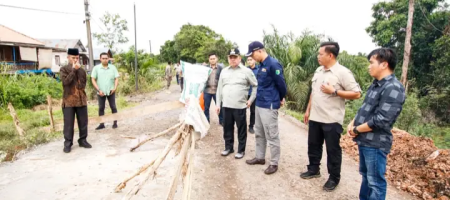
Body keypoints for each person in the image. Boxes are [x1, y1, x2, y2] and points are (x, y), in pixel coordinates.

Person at [301, 42, 362, 191]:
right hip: (315, 116)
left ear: (330, 55)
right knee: (313, 145)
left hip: (331, 119)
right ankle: (313, 169)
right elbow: (314, 92)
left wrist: (334, 91)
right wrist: (308, 110)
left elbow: (356, 93)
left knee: (332, 150)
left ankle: (334, 178)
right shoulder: (318, 71)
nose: (318, 56)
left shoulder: (343, 73)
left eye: (320, 54)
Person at [348, 48, 405, 200]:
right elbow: (365, 108)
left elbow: (382, 119)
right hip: (366, 140)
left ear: (384, 64)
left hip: (376, 143)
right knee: (367, 177)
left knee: (376, 183)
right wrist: (352, 123)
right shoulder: (376, 84)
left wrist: (356, 129)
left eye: (371, 62)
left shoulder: (393, 87)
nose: (369, 66)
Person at [245, 41, 287, 175]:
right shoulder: (261, 65)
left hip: (269, 104)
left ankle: (274, 163)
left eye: (252, 54)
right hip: (259, 103)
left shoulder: (273, 64)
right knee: (259, 132)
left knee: (272, 134)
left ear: (259, 51)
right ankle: (260, 157)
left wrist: (280, 98)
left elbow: (281, 84)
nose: (252, 57)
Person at [216, 48, 258, 159]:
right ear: (228, 59)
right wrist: (217, 104)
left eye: (235, 57)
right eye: (231, 57)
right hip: (226, 105)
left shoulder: (246, 71)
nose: (233, 59)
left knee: (241, 129)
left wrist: (251, 100)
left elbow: (255, 86)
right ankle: (228, 147)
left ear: (239, 58)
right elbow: (219, 88)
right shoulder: (224, 71)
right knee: (227, 128)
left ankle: (241, 150)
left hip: (240, 106)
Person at [59, 48, 91, 153]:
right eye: (73, 58)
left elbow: (82, 85)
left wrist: (77, 70)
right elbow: (65, 82)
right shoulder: (64, 69)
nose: (75, 60)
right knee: (68, 124)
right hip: (68, 100)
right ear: (68, 58)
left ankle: (83, 140)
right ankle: (68, 143)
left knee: (83, 122)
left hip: (81, 100)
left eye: (77, 58)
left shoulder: (82, 71)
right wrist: (73, 70)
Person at [91, 52, 120, 130]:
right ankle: (101, 124)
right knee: (101, 108)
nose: (104, 60)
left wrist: (115, 87)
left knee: (113, 107)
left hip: (111, 90)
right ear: (100, 59)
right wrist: (98, 89)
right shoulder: (96, 68)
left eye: (106, 58)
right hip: (101, 91)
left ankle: (115, 123)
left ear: (108, 59)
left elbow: (116, 78)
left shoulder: (113, 67)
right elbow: (93, 79)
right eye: (103, 58)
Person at [203, 53, 224, 125]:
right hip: (207, 90)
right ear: (209, 60)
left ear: (216, 59)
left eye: (213, 58)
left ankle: (221, 121)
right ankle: (206, 121)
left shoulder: (220, 68)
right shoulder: (205, 68)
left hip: (217, 91)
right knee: (206, 107)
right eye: (211, 59)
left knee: (220, 106)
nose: (212, 60)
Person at [246, 57, 259, 134]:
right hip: (245, 93)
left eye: (251, 60)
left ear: (254, 60)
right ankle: (241, 125)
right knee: (241, 110)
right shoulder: (245, 70)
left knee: (253, 111)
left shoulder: (259, 69)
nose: (249, 61)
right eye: (248, 60)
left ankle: (251, 126)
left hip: (254, 94)